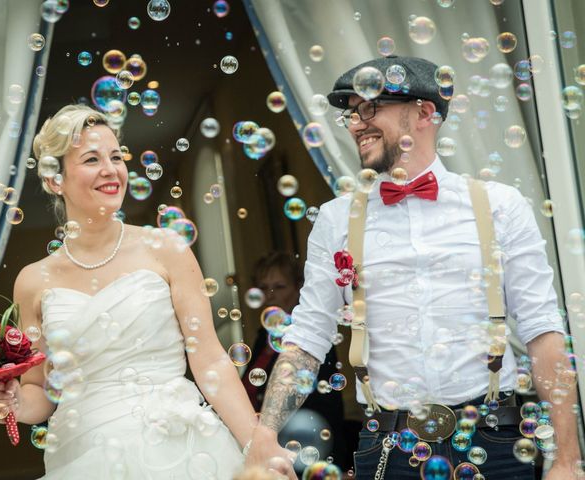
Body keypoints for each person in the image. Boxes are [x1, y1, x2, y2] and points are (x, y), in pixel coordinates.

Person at [246, 56, 581, 479]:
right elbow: (308, 339)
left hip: (496, 441)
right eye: (351, 113)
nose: (355, 124)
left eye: (370, 107)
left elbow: (541, 330)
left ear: (424, 112)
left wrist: (566, 460)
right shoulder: (335, 221)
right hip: (388, 445)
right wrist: (264, 435)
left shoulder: (500, 206)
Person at [0, 104, 255, 479]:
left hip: (181, 448)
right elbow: (41, 392)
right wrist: (13, 402)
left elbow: (210, 360)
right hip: (82, 454)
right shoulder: (33, 281)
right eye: (92, 159)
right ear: (53, 180)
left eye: (116, 157)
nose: (111, 170)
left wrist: (258, 443)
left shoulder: (167, 249)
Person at [242, 252, 348, 469]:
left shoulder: (311, 339)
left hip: (303, 451)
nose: (270, 294)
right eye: (263, 287)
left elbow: (324, 407)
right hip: (266, 445)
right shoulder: (264, 336)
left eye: (279, 286)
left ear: (299, 288)